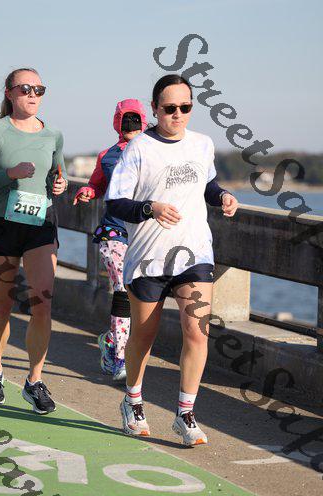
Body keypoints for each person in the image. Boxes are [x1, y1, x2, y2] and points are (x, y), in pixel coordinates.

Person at [105, 74, 238, 446]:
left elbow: (206, 185)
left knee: (197, 332)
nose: (177, 114)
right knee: (144, 336)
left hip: (194, 254)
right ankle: (133, 401)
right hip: (148, 258)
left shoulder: (202, 144)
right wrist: (151, 208)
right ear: (154, 109)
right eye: (169, 108)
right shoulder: (139, 148)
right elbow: (115, 203)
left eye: (185, 107)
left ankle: (185, 413)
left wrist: (223, 196)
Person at [0, 67, 67, 415]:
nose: (33, 94)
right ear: (10, 93)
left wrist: (60, 184)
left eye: (39, 89)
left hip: (40, 224)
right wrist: (9, 174)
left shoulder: (53, 135)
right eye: (25, 89)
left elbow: (58, 174)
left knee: (42, 304)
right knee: (2, 305)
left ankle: (34, 380)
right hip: (4, 224)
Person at [73, 99, 147, 381]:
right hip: (114, 231)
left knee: (143, 294)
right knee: (122, 290)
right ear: (117, 123)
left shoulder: (156, 151)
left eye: (135, 120)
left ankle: (112, 341)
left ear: (143, 121)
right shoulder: (107, 155)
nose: (130, 125)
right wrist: (88, 192)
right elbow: (97, 184)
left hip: (146, 234)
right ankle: (119, 358)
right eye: (125, 120)